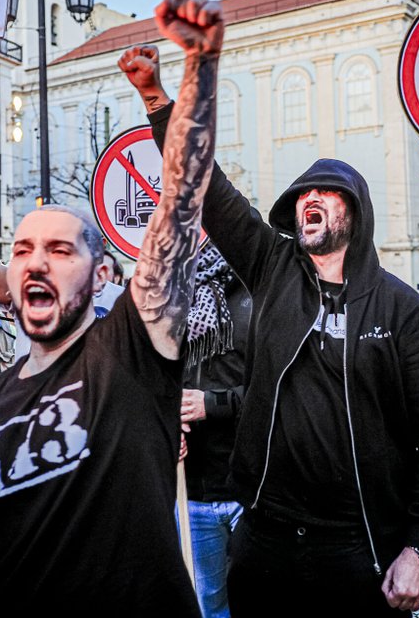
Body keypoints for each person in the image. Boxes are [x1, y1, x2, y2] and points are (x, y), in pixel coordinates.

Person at [0, 0, 223, 617]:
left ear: (101, 277)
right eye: (21, 250)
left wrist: (199, 71)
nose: (36, 261)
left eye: (59, 250)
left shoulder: (129, 356)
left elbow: (180, 200)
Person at [121, 24, 419, 616]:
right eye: (303, 193)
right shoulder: (273, 267)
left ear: (354, 213)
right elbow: (203, 181)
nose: (310, 198)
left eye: (326, 193)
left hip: (360, 543)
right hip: (266, 538)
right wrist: (155, 98)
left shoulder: (403, 309)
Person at [179, 242, 250, 618]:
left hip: (251, 488)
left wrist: (212, 404)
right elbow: (145, 379)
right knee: (208, 603)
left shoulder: (258, 293)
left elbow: (277, 388)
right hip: (192, 489)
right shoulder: (167, 301)